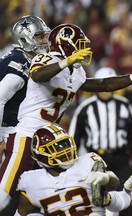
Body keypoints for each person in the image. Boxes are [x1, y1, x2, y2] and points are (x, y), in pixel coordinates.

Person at [0, 23, 132, 212]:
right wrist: (66, 62)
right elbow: (37, 75)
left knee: (47, 194)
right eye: (79, 45)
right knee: (5, 195)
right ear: (65, 46)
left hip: (49, 142)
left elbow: (102, 84)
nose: (84, 49)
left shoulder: (76, 72)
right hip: (27, 135)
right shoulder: (46, 58)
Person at [15, 124, 128, 215]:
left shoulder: (88, 162)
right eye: (57, 147)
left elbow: (114, 185)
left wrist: (106, 178)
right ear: (41, 155)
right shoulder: (31, 181)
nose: (65, 150)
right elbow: (22, 212)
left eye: (65, 144)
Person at [0, 15, 50, 214]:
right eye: (39, 37)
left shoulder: (22, 58)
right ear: (24, 39)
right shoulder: (20, 62)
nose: (45, 42)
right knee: (7, 195)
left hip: (17, 134)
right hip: (9, 134)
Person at [69, 67, 132, 193]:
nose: (106, 88)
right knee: (94, 197)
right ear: (96, 86)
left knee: (128, 196)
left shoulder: (124, 105)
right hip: (95, 160)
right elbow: (74, 137)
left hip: (120, 158)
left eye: (110, 84)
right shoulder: (85, 108)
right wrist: (72, 162)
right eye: (102, 84)